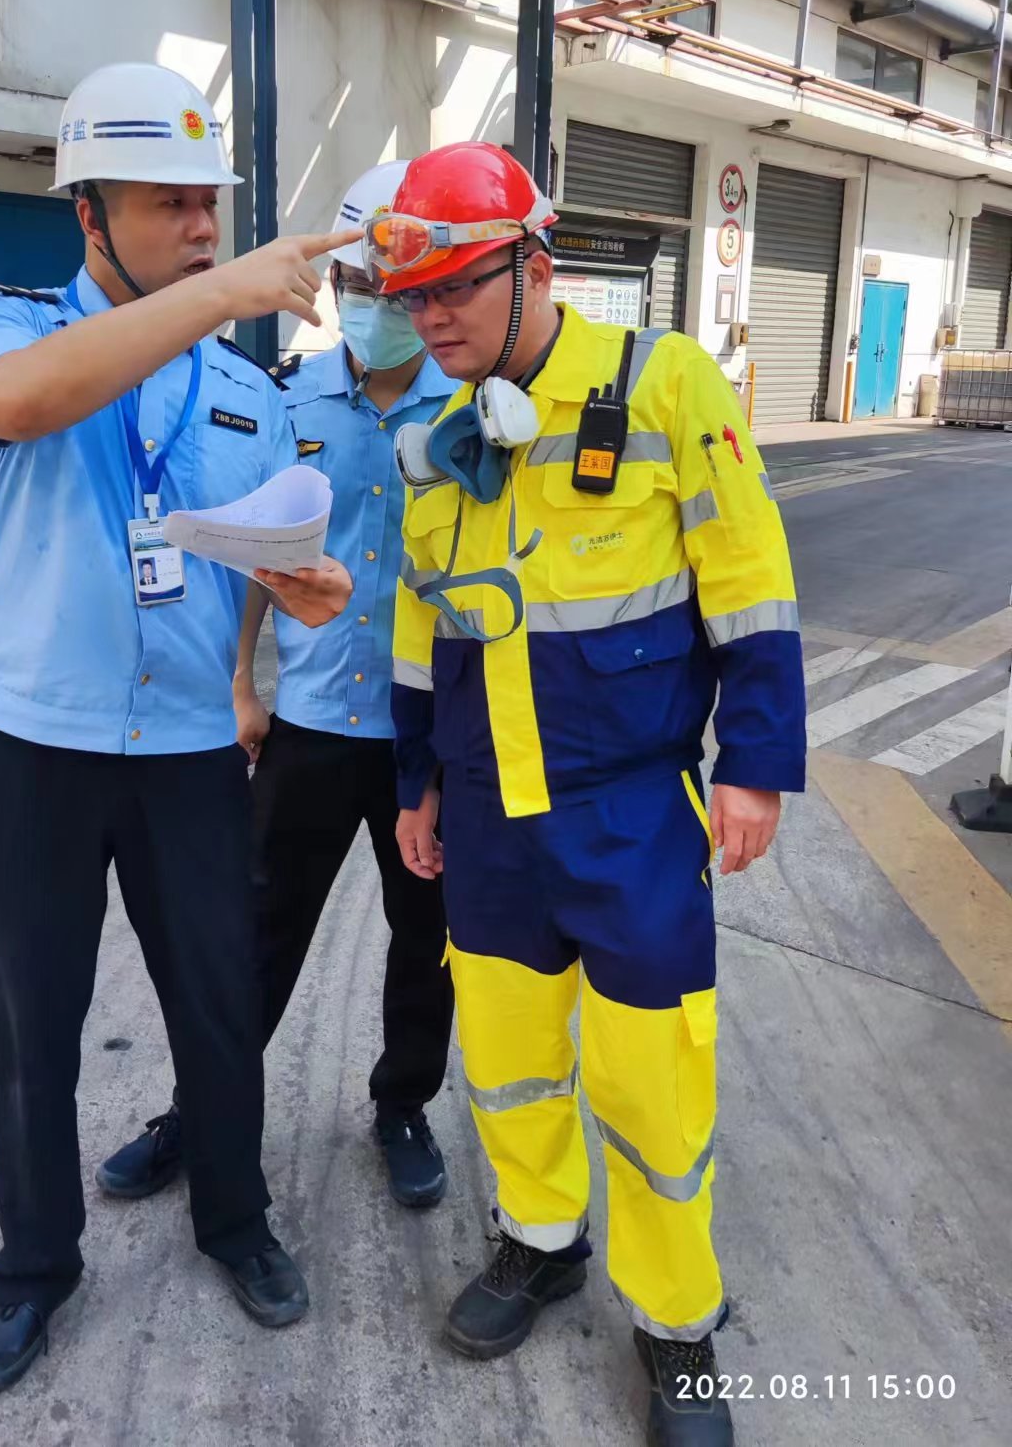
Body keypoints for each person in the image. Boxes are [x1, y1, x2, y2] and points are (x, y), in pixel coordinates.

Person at [0, 61, 359, 1395]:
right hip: (32, 747)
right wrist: (218, 293)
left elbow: (265, 543)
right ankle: (33, 1269)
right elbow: (17, 407)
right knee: (33, 1023)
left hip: (187, 751)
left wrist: (300, 593)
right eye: (168, 203)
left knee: (220, 1003)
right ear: (88, 213)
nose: (199, 225)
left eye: (208, 204)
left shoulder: (243, 390)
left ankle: (236, 1219)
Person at [382, 143, 805, 1447]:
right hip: (487, 818)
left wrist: (754, 761)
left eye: (457, 284)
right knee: (509, 1061)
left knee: (652, 1080)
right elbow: (421, 627)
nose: (432, 317)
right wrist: (415, 778)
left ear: (535, 263)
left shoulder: (663, 384)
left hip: (629, 816)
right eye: (416, 297)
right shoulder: (441, 443)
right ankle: (540, 1237)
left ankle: (676, 1324)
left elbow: (748, 573)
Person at [97, 161, 457, 1211]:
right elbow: (258, 551)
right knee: (253, 930)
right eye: (359, 286)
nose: (377, 307)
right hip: (308, 720)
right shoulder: (285, 397)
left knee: (427, 937)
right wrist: (240, 686)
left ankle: (401, 1104)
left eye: (396, 290)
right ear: (335, 286)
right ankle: (199, 1108)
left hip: (427, 736)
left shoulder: (473, 410)